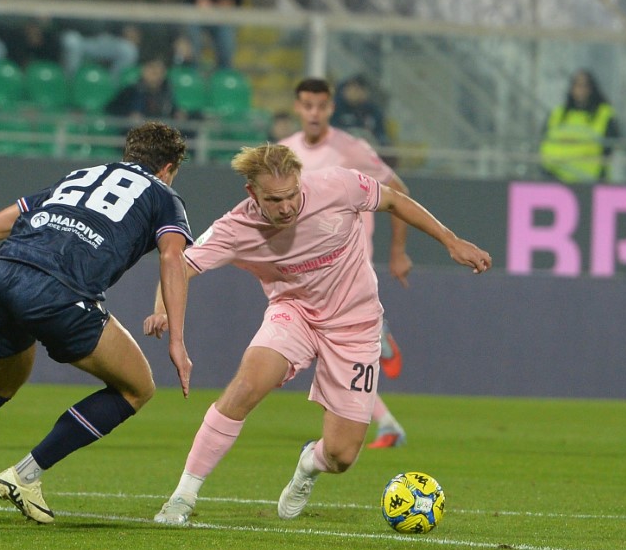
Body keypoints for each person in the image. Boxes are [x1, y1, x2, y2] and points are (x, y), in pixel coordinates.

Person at [146, 144, 491, 526]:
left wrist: (451, 241)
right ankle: (182, 497)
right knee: (247, 384)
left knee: (342, 456)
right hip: (294, 313)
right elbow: (178, 265)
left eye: (292, 194)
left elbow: (394, 200)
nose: (287, 206)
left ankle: (309, 463)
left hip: (357, 326)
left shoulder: (338, 186)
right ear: (252, 194)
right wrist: (162, 309)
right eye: (274, 199)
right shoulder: (236, 227)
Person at [0, 122, 194, 527]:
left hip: (4, 274)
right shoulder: (165, 196)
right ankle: (25, 475)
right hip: (61, 292)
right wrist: (177, 340)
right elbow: (171, 259)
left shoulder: (78, 178)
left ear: (130, 153)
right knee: (137, 387)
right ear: (168, 167)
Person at [279, 77, 413, 449]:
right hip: (303, 269)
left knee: (330, 348)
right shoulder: (284, 152)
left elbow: (398, 190)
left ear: (331, 108)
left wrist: (397, 251)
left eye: (321, 105)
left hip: (347, 264)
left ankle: (383, 422)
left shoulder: (351, 149)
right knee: (331, 351)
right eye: (307, 105)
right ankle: (387, 421)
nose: (314, 112)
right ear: (297, 107)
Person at [539, 69, 621, 184]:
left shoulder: (604, 114)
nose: (581, 90)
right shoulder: (557, 114)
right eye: (577, 85)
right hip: (555, 179)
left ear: (592, 89)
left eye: (585, 86)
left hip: (592, 181)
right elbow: (544, 143)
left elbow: (609, 146)